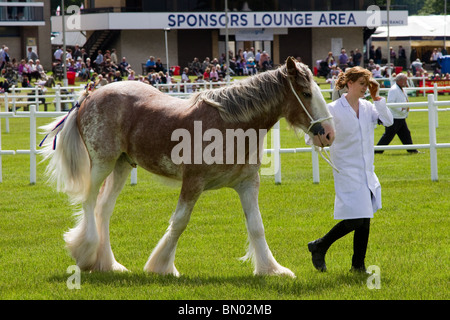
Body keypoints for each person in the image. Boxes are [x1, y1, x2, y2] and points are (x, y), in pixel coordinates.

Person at [307, 66, 394, 273]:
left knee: (365, 218)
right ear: (350, 84)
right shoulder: (333, 109)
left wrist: (377, 98)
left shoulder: (368, 107)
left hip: (366, 170)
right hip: (345, 169)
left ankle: (357, 265)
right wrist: (322, 139)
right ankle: (320, 245)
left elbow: (389, 121)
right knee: (357, 218)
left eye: (368, 84)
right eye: (362, 84)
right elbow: (312, 135)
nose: (365, 88)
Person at [376, 73, 418, 154]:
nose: (406, 82)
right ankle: (377, 151)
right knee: (389, 135)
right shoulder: (394, 89)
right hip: (395, 117)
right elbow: (390, 103)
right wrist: (401, 109)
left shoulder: (402, 89)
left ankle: (412, 150)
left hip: (400, 117)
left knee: (405, 134)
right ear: (400, 81)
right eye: (405, 80)